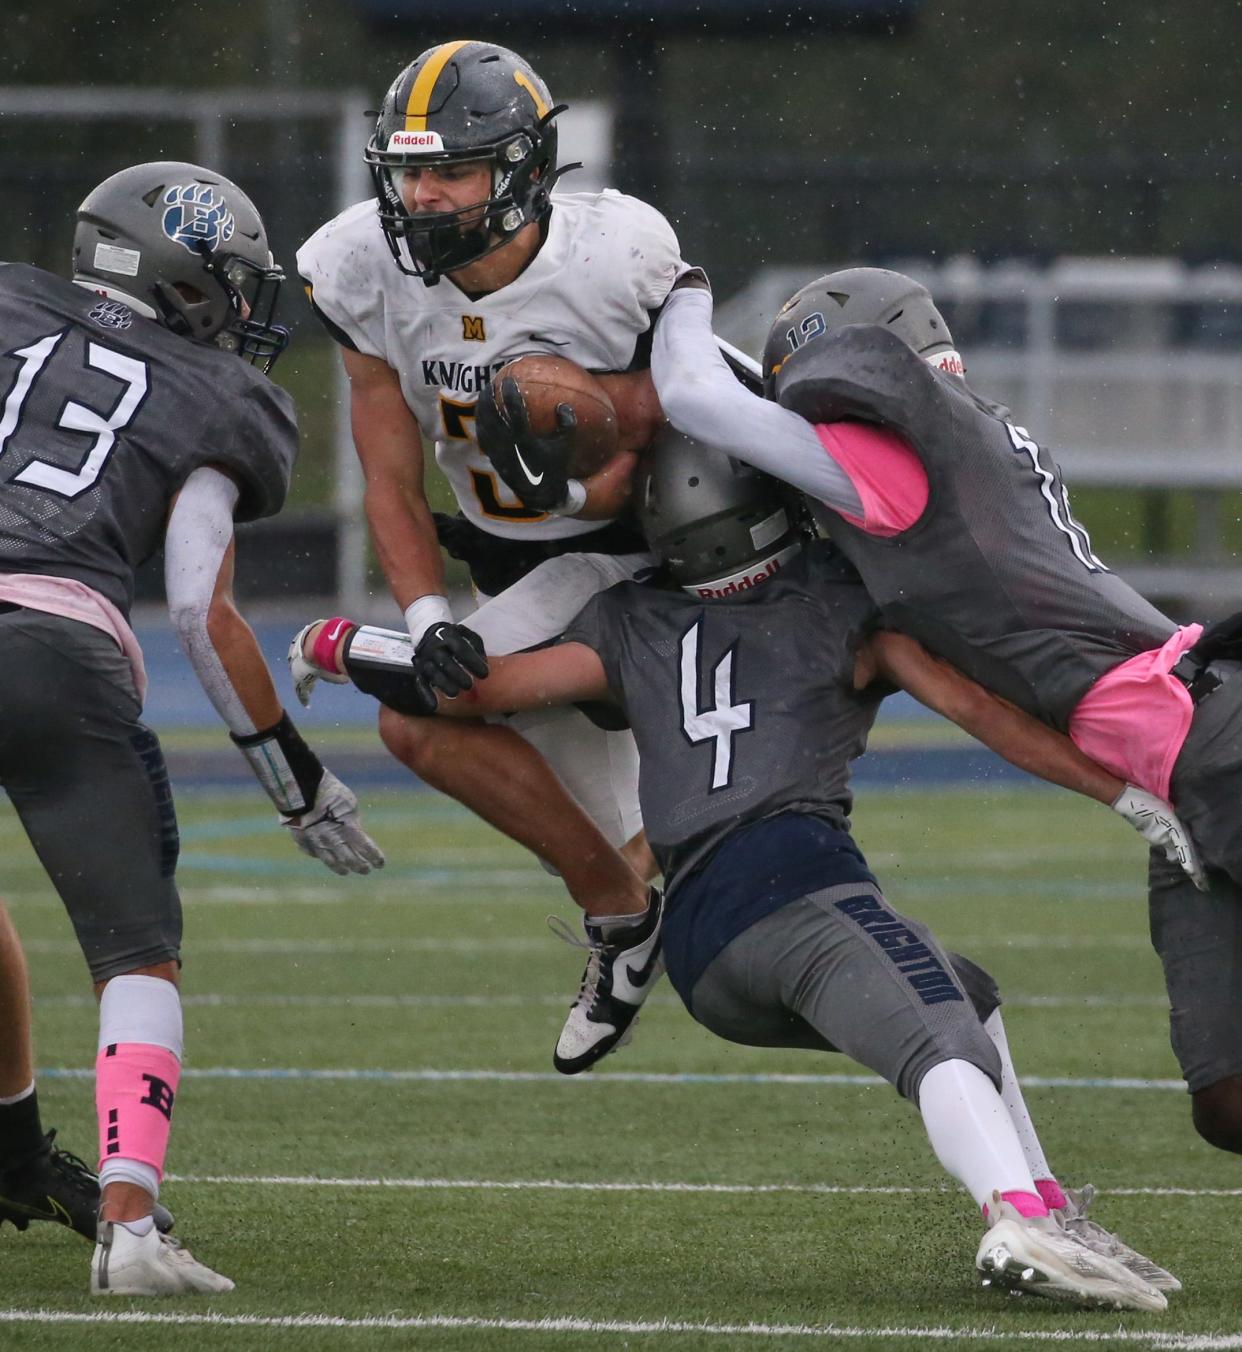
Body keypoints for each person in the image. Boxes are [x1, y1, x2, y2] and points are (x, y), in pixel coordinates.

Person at [291, 434, 1186, 1308]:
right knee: (939, 1029)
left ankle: (1052, 1213)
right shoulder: (840, 602)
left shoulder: (633, 616)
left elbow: (471, 687)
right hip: (792, 886)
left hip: (704, 948)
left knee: (967, 998)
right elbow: (982, 710)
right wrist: (1121, 794)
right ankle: (1016, 1216)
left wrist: (337, 642)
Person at [647, 264, 1242, 1153]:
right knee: (1226, 1100)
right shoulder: (957, 444)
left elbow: (697, 394)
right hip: (1176, 775)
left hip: (1213, 745)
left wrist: (675, 288)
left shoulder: (901, 461)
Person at [0, 161, 383, 1296]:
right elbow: (200, 613)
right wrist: (295, 779)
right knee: (134, 950)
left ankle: (22, 1157)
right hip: (52, 650)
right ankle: (128, 1222)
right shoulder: (220, 397)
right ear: (183, 277)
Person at [295, 39, 697, 1070]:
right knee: (647, 853)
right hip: (506, 567)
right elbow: (390, 475)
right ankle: (626, 904)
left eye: (452, 170)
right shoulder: (357, 263)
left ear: (521, 170)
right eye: (408, 171)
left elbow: (678, 423)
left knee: (419, 721)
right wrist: (429, 617)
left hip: (640, 555)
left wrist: (582, 475)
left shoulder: (622, 257)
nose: (423, 196)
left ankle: (617, 916)